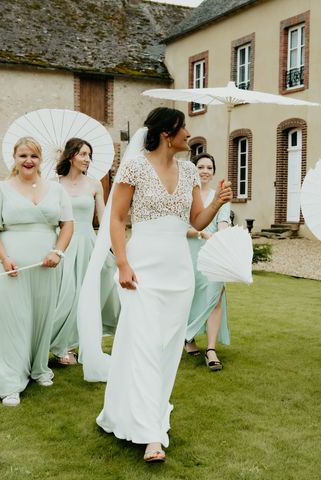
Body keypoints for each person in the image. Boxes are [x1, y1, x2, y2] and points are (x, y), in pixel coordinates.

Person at [95, 107, 232, 462]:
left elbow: (197, 219)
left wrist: (216, 201)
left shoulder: (188, 171)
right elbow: (117, 217)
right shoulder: (135, 165)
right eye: (183, 128)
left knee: (166, 350)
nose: (189, 133)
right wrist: (122, 262)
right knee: (142, 343)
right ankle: (151, 434)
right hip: (141, 268)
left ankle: (128, 411)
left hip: (178, 273)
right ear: (167, 133)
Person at [0, 137, 74, 407]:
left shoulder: (56, 190)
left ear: (41, 159)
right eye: (22, 156)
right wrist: (4, 258)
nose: (28, 160)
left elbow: (67, 225)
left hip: (46, 265)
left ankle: (38, 366)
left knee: (41, 315)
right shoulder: (1, 189)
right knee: (13, 318)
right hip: (11, 266)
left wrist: (58, 252)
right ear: (14, 158)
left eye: (33, 155)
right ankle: (10, 377)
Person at [50, 138, 120, 365]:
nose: (87, 159)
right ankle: (57, 345)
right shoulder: (53, 184)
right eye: (83, 154)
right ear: (71, 156)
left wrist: (111, 250)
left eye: (89, 155)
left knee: (86, 296)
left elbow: (104, 219)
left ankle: (77, 345)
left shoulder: (94, 185)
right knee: (66, 296)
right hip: (64, 244)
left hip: (88, 243)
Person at [184, 153, 231, 370]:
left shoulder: (219, 196)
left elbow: (223, 223)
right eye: (200, 167)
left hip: (213, 254)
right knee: (189, 296)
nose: (204, 171)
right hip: (189, 252)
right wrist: (201, 234)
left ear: (213, 172)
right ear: (193, 170)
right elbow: (180, 227)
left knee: (215, 297)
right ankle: (188, 337)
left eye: (209, 167)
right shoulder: (185, 196)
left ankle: (211, 350)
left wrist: (220, 239)